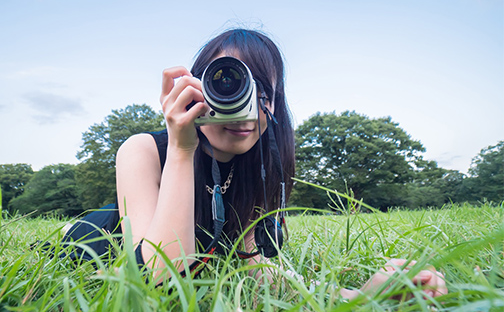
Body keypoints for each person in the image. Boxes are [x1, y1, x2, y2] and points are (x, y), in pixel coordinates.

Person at [64, 28, 447, 300]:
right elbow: (159, 280)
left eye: (263, 94)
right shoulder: (143, 150)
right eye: (228, 85)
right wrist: (182, 149)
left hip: (201, 245)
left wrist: (363, 294)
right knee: (88, 231)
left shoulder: (261, 166)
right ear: (196, 88)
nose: (246, 111)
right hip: (108, 236)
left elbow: (252, 267)